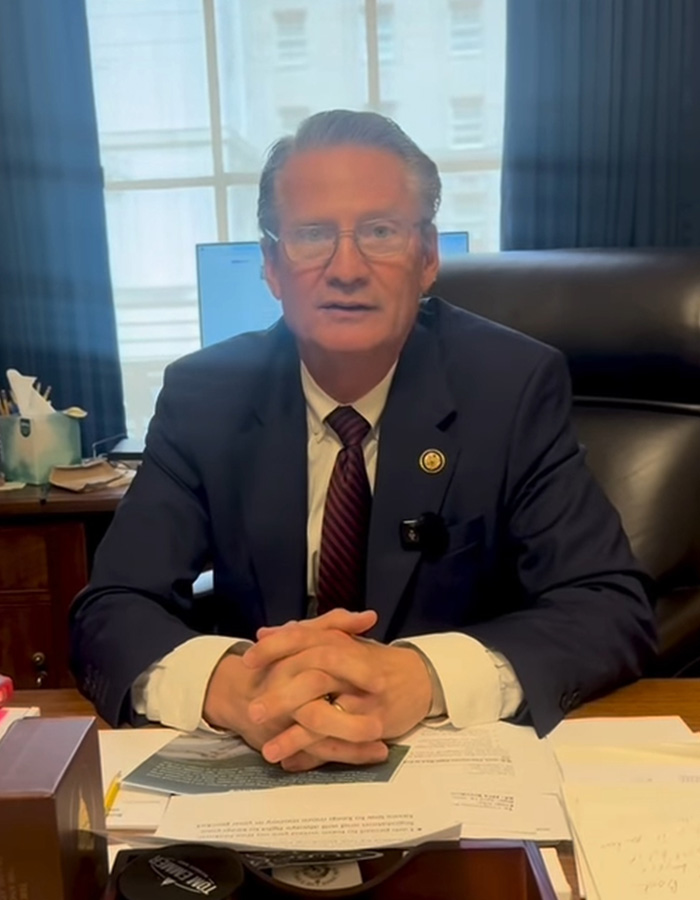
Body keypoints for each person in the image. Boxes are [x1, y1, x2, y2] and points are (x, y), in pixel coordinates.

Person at [69, 109, 656, 772]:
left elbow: (609, 607)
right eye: (313, 236)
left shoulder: (510, 386)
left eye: (379, 232)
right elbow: (111, 608)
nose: (346, 268)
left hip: (453, 767)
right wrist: (231, 687)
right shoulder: (205, 396)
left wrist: (423, 676)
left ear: (427, 257)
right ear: (270, 265)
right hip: (266, 759)